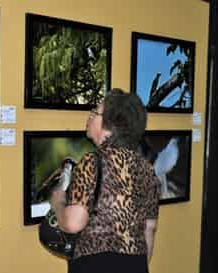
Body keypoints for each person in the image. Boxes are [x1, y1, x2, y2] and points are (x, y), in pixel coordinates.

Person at [50, 88, 160, 273]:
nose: (90, 117)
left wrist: (58, 202)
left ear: (109, 124)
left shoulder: (92, 162)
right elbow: (150, 227)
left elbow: (73, 223)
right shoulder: (146, 168)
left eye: (95, 113)